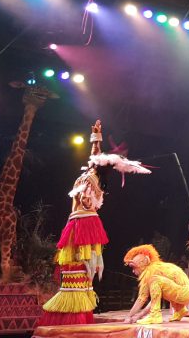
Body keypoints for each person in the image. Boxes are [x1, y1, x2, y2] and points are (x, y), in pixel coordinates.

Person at [39, 120, 150, 326]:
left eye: (97, 161)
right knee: (73, 263)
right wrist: (96, 137)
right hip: (78, 221)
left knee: (83, 262)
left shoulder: (94, 179)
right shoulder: (90, 174)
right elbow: (95, 155)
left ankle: (76, 312)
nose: (93, 160)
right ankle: (70, 307)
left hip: (85, 223)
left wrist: (86, 199)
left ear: (100, 166)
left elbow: (95, 164)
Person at [122, 245, 189, 325]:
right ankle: (180, 310)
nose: (133, 271)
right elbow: (148, 299)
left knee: (155, 280)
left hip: (185, 292)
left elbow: (142, 299)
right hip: (185, 293)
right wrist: (135, 316)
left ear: (143, 263)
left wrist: (131, 316)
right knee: (161, 286)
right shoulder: (152, 270)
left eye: (134, 268)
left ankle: (155, 315)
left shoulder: (152, 271)